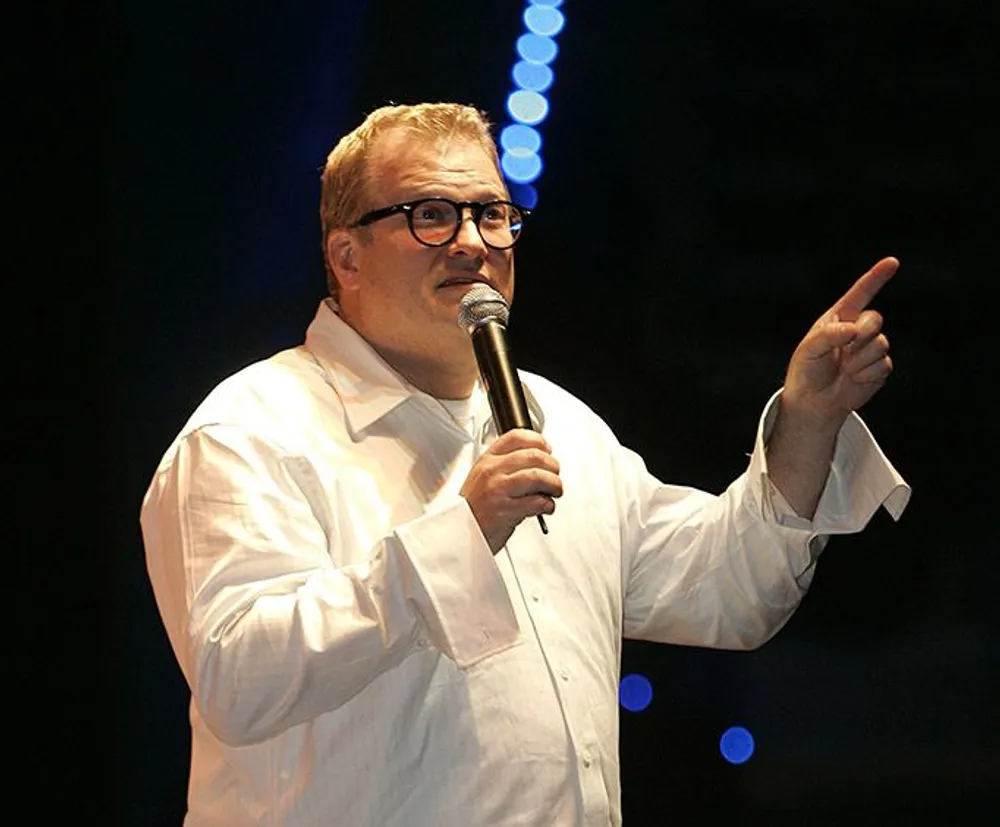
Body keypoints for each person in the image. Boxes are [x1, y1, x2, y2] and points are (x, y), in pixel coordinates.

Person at [140, 102, 910, 826]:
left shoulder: (559, 421)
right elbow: (240, 677)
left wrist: (810, 419)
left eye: (492, 214)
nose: (473, 242)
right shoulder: (254, 428)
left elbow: (730, 594)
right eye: (431, 215)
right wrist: (461, 534)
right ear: (345, 254)